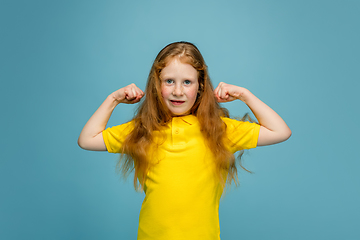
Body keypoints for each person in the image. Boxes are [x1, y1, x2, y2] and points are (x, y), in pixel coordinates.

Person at [78, 41, 291, 240]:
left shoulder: (219, 129)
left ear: (200, 86)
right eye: (169, 81)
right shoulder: (143, 130)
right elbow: (87, 140)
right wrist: (113, 99)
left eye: (187, 82)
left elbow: (279, 131)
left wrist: (245, 95)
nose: (177, 91)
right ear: (156, 85)